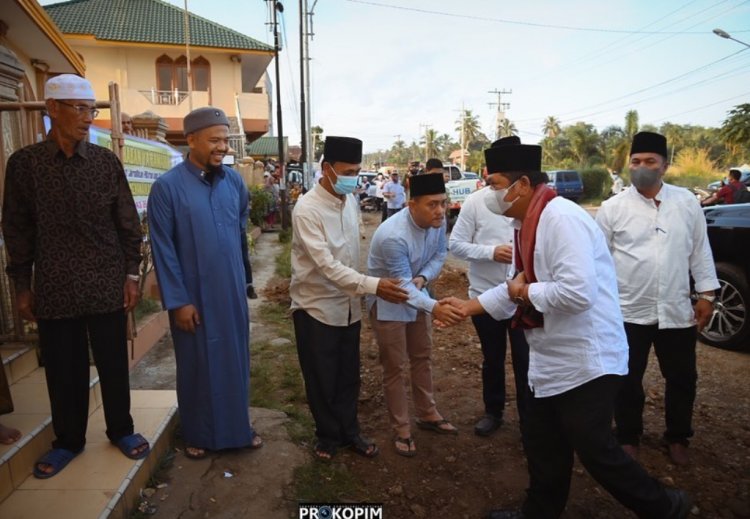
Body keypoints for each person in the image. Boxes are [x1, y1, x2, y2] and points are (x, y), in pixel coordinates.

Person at [439, 138, 690, 518]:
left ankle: (665, 506)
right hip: (551, 356)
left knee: (594, 448)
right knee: (541, 440)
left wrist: (526, 291)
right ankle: (539, 511)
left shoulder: (561, 219)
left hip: (586, 359)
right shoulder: (523, 222)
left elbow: (577, 294)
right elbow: (512, 287)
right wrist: (467, 307)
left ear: (521, 185)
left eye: (494, 184)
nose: (489, 193)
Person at [2, 74, 149, 478]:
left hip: (105, 283)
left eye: (92, 110)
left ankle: (122, 429)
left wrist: (131, 274)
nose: (88, 118)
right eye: (79, 109)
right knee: (63, 370)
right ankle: (68, 441)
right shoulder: (26, 164)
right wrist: (22, 286)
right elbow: (16, 229)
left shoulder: (104, 162)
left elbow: (127, 224)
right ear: (52, 109)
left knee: (114, 364)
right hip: (54, 286)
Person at [596, 131, 719, 467]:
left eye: (650, 161)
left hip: (676, 311)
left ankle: (678, 437)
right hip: (627, 311)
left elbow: (699, 252)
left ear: (665, 166)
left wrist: (707, 294)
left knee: (682, 378)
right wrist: (601, 307)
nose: (641, 167)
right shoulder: (612, 208)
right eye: (635, 162)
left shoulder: (686, 203)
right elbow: (598, 261)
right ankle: (627, 436)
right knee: (627, 378)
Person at [148, 107, 262, 459]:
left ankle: (236, 429)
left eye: (225, 140)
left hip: (229, 292)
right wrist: (178, 301)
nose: (222, 147)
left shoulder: (234, 183)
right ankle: (198, 434)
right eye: (214, 140)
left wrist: (244, 281)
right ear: (191, 140)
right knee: (197, 364)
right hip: (192, 297)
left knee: (234, 361)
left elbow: (239, 233)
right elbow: (163, 249)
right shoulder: (167, 188)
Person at [290, 136, 408, 460]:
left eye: (357, 171)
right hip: (316, 307)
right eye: (347, 171)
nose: (353, 178)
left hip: (348, 307)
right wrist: (374, 286)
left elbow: (354, 253)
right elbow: (327, 266)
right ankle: (327, 436)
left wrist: (367, 289)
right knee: (321, 378)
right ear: (326, 169)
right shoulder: (307, 209)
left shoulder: (351, 201)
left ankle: (350, 431)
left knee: (348, 376)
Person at [367, 173, 464, 457]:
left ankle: (427, 413)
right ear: (412, 205)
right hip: (389, 303)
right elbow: (400, 287)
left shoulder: (437, 222)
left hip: (418, 293)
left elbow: (439, 255)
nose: (440, 211)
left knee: (422, 356)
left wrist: (423, 277)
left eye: (443, 203)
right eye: (432, 204)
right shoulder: (393, 236)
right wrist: (434, 306)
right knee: (395, 366)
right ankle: (402, 428)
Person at [448, 137, 529, 437]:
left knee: (526, 360)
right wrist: (490, 252)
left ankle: (529, 417)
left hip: (524, 298)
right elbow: (455, 244)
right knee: (492, 358)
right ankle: (493, 412)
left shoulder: (530, 203)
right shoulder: (476, 202)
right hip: (484, 296)